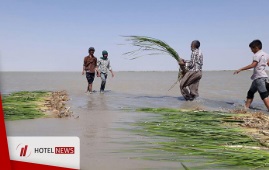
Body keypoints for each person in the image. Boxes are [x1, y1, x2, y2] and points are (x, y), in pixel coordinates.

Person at [234, 39, 269, 111]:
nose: (251, 51)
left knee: (264, 95)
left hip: (259, 78)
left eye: (252, 49)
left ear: (256, 47)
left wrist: (240, 69)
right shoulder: (266, 54)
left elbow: (253, 65)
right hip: (261, 77)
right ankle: (246, 108)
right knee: (250, 92)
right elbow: (268, 64)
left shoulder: (256, 55)